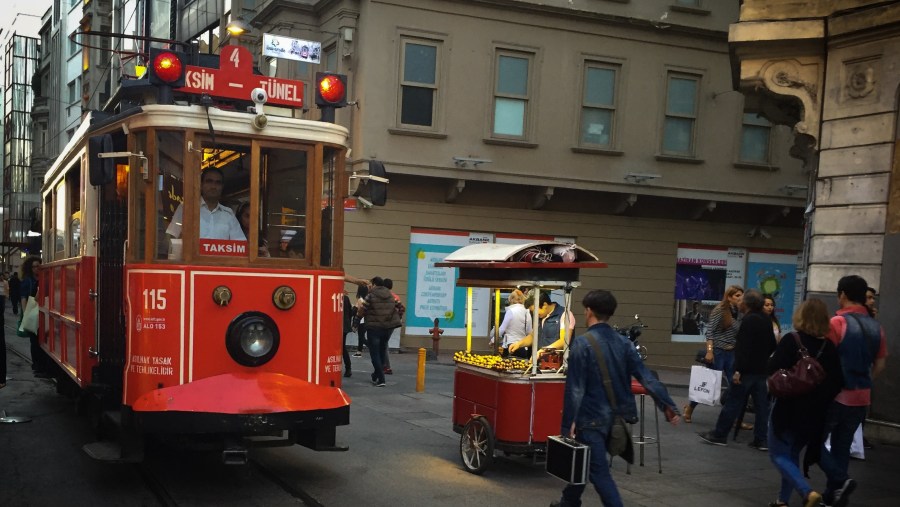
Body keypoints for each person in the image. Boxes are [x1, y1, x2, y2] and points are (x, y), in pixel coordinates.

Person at [550, 289, 680, 507]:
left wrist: (567, 424)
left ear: (589, 311)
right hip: (616, 415)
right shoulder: (624, 343)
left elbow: (575, 389)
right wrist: (666, 404)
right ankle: (568, 502)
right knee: (587, 461)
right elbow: (646, 377)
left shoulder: (582, 344)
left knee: (599, 473)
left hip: (590, 418)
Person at [817, 275, 887, 507]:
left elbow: (823, 359)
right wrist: (865, 381)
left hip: (836, 396)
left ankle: (840, 480)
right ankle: (833, 496)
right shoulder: (877, 327)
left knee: (813, 440)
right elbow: (880, 364)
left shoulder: (837, 323)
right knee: (842, 446)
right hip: (861, 397)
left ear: (843, 295)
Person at [766, 299, 843, 507]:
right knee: (791, 455)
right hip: (814, 414)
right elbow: (838, 382)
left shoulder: (792, 340)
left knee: (777, 454)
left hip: (787, 407)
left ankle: (807, 492)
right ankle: (782, 501)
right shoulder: (829, 347)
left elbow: (772, 367)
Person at [698, 289, 776, 449]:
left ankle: (719, 435)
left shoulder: (748, 320)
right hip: (761, 371)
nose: (740, 302)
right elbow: (772, 345)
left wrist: (739, 370)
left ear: (747, 304)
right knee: (762, 406)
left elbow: (744, 348)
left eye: (742, 300)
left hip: (745, 371)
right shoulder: (766, 320)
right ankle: (761, 439)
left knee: (733, 402)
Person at [683, 285, 743, 423]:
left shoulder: (739, 312)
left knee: (735, 385)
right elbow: (709, 332)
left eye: (741, 295)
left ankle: (733, 418)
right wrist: (710, 351)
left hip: (731, 352)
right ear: (729, 297)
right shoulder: (720, 311)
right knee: (708, 383)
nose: (740, 298)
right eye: (737, 296)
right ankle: (690, 408)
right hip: (718, 351)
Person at [166, 168, 245, 241]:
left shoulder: (228, 215)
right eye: (209, 181)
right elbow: (172, 235)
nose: (213, 186)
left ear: (222, 187)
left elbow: (240, 244)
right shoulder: (186, 208)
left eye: (218, 183)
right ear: (201, 185)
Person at [357, 277, 402, 387]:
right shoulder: (391, 295)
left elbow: (363, 309)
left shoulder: (370, 295)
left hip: (373, 328)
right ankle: (377, 374)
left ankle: (381, 379)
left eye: (371, 284)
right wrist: (396, 317)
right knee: (382, 352)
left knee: (375, 354)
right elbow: (401, 307)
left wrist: (357, 319)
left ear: (375, 284)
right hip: (386, 328)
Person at [508, 291, 575, 358]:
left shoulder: (565, 314)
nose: (534, 314)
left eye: (535, 310)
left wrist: (543, 351)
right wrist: (519, 344)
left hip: (559, 364)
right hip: (540, 364)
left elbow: (564, 341)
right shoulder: (539, 317)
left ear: (544, 305)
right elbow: (533, 336)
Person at [19, 257, 50, 378]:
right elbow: (23, 298)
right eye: (34, 267)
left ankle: (41, 365)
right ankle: (37, 365)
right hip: (33, 312)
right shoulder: (28, 281)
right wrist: (25, 314)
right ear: (30, 268)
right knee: (35, 341)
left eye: (38, 266)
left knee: (42, 340)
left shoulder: (43, 278)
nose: (36, 268)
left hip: (42, 313)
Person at [381, 278, 405, 375]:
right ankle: (384, 365)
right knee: (384, 343)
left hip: (384, 322)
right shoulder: (396, 297)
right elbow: (401, 308)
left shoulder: (384, 296)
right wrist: (398, 318)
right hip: (392, 323)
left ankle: (386, 366)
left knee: (384, 344)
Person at [498, 289, 532, 355]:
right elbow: (529, 331)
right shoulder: (527, 312)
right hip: (523, 346)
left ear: (511, 299)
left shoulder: (510, 311)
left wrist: (493, 340)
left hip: (510, 345)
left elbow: (502, 329)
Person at [352, 284, 369, 357]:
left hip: (361, 320)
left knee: (361, 337)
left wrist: (354, 307)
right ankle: (359, 352)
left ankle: (372, 347)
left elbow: (357, 311)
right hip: (366, 320)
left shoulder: (360, 300)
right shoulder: (367, 299)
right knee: (361, 336)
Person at [341, 290, 353, 378]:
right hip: (344, 326)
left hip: (336, 326)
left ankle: (348, 368)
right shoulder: (345, 298)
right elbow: (350, 313)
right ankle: (348, 368)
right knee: (343, 347)